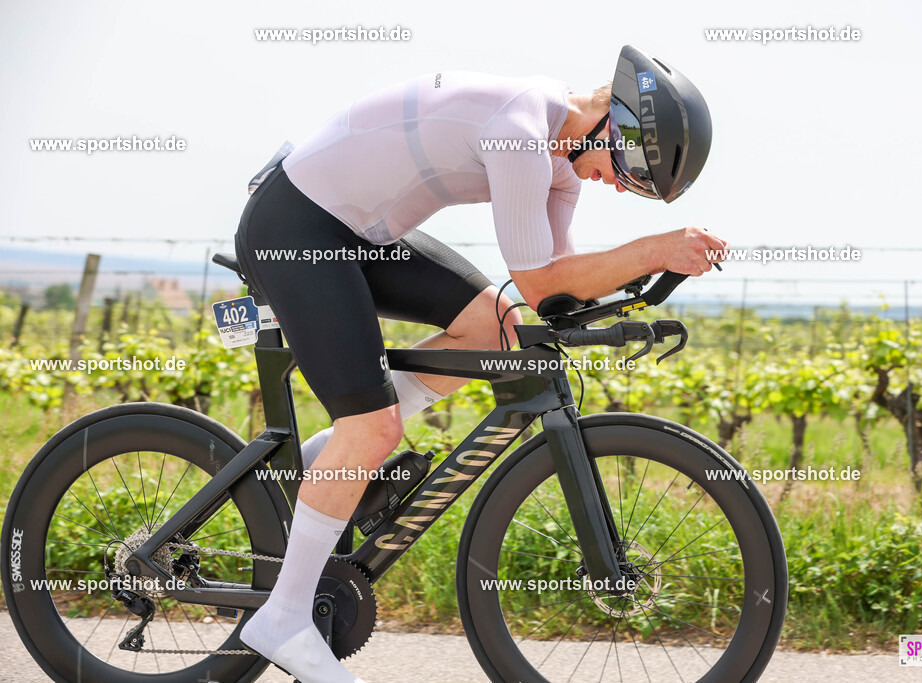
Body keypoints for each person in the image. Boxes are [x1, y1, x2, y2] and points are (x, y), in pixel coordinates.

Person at [234, 44, 727, 683]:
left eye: (639, 186)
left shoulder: (560, 163)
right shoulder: (521, 132)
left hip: (358, 233)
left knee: (495, 327)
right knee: (375, 426)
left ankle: (337, 454)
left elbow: (553, 292)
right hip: (297, 226)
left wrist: (634, 295)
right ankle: (284, 618)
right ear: (614, 123)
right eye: (631, 171)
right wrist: (650, 250)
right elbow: (538, 272)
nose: (621, 186)